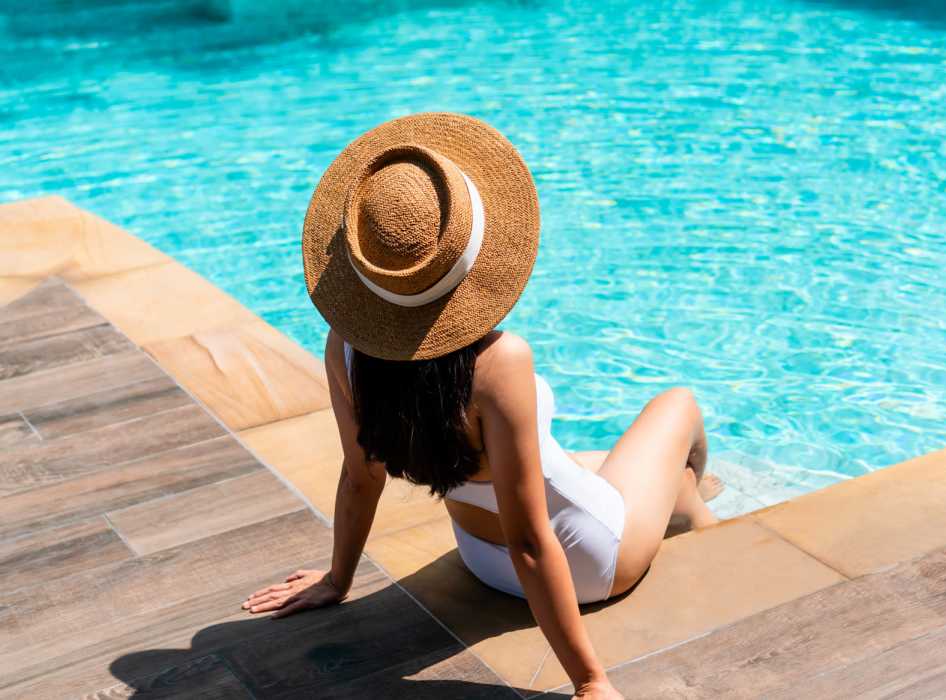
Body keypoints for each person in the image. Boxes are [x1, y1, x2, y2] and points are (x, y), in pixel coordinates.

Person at [242, 113, 721, 699]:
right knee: (678, 405)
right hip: (589, 563)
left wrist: (338, 580)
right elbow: (529, 540)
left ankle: (688, 501)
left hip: (479, 558)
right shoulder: (499, 363)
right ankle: (701, 519)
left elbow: (359, 477)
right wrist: (590, 682)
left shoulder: (347, 349)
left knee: (609, 464)